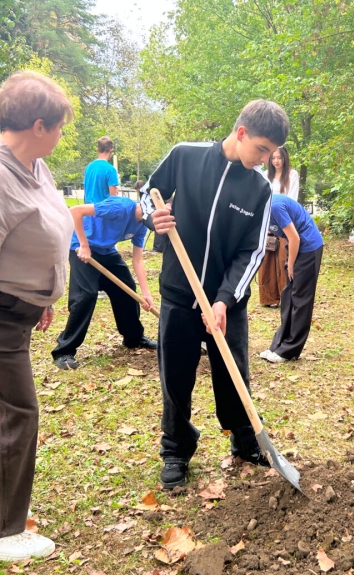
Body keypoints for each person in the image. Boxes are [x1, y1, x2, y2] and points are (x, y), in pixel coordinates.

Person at [140, 99, 290, 489]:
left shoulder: (259, 189)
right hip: (178, 293)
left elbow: (252, 251)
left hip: (226, 301)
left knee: (233, 373)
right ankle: (175, 451)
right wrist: (152, 216)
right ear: (241, 133)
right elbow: (147, 193)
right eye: (261, 149)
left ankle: (244, 440)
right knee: (175, 376)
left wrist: (224, 299)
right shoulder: (185, 156)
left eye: (271, 153)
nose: (265, 159)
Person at [0, 70, 74, 561]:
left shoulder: (35, 166)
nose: (63, 136)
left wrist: (43, 296)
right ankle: (6, 531)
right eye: (61, 127)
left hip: (21, 312)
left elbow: (45, 228)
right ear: (39, 125)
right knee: (19, 414)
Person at [51, 196, 157, 370]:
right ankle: (64, 350)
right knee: (86, 295)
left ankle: (134, 338)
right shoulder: (120, 207)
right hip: (81, 247)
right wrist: (84, 245)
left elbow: (138, 261)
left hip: (107, 252)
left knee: (128, 289)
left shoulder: (141, 225)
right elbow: (75, 211)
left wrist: (146, 294)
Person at [259, 193, 324, 363]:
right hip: (295, 245)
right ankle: (278, 345)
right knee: (288, 295)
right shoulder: (260, 207)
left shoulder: (274, 206)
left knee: (301, 298)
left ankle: (290, 350)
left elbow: (295, 237)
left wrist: (291, 263)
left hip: (308, 246)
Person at [258, 146, 299, 307]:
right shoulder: (265, 175)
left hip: (285, 222)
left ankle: (287, 297)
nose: (276, 161)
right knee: (267, 261)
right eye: (273, 158)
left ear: (285, 158)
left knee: (284, 259)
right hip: (267, 222)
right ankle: (269, 298)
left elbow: (292, 200)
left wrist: (280, 222)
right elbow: (262, 200)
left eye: (279, 158)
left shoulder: (292, 175)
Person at [83, 136, 119, 203]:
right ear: (111, 150)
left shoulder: (88, 167)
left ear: (97, 150)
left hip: (88, 210)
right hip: (102, 211)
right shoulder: (110, 169)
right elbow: (113, 199)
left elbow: (87, 190)